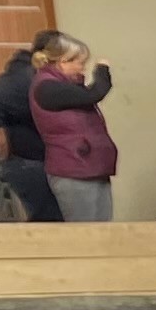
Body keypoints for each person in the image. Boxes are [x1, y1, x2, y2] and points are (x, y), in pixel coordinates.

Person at [28, 38, 121, 220]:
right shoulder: (47, 88)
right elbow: (94, 94)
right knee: (85, 232)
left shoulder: (62, 85)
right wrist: (102, 69)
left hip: (90, 167)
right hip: (74, 171)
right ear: (63, 61)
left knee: (103, 229)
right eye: (80, 63)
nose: (83, 68)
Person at [0, 36, 63, 220]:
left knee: (55, 218)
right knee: (50, 219)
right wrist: (1, 146)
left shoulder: (37, 75)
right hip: (28, 161)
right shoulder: (25, 77)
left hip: (40, 158)